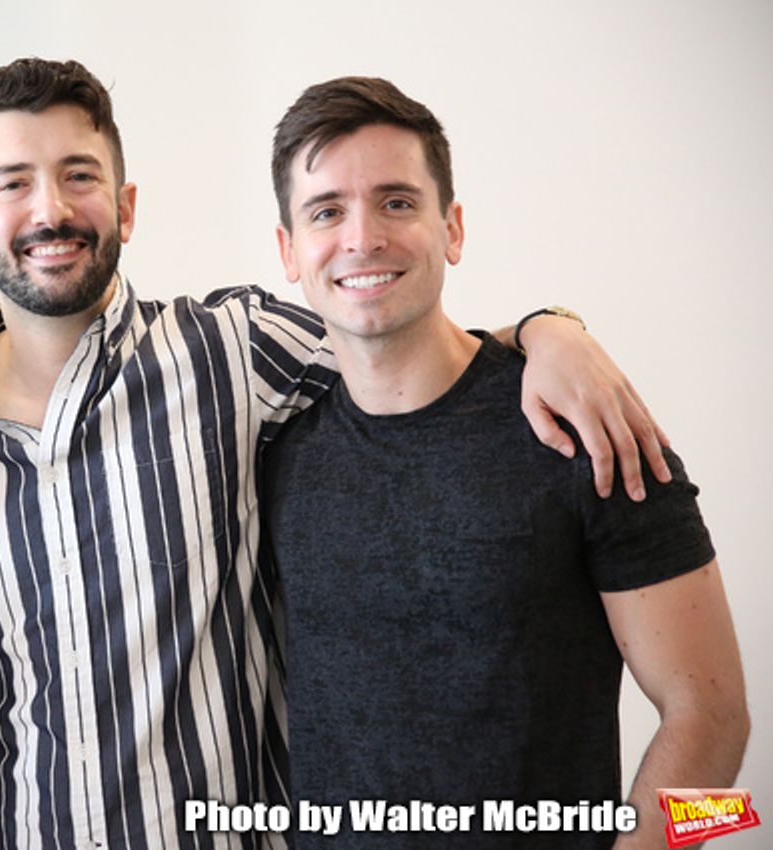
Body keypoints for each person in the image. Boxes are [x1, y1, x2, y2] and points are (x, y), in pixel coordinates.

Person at [0, 59, 674, 850]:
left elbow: (398, 336)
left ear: (124, 205)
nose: (50, 209)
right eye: (13, 184)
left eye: (79, 175)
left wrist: (550, 329)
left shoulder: (227, 350)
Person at [260, 76, 749, 848]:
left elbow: (715, 717)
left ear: (451, 228)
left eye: (396, 202)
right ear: (290, 251)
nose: (361, 238)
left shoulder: (585, 424)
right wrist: (541, 325)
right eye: (327, 211)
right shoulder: (276, 449)